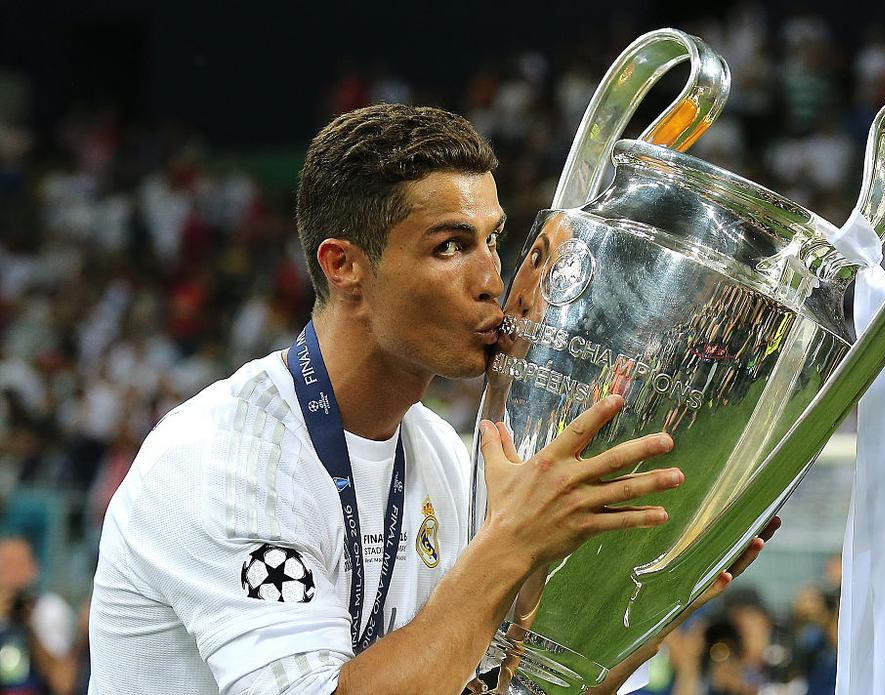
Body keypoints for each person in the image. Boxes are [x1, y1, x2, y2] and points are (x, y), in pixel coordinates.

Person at [88, 103, 776, 695]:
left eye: (494, 240)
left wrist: (636, 610)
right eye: (450, 246)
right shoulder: (226, 458)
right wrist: (506, 548)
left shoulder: (443, 454)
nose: (491, 278)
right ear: (345, 266)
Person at [0, 535, 78, 695]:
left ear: (33, 568)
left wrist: (28, 626)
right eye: (6, 564)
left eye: (18, 564)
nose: (11, 573)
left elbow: (63, 685)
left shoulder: (50, 609)